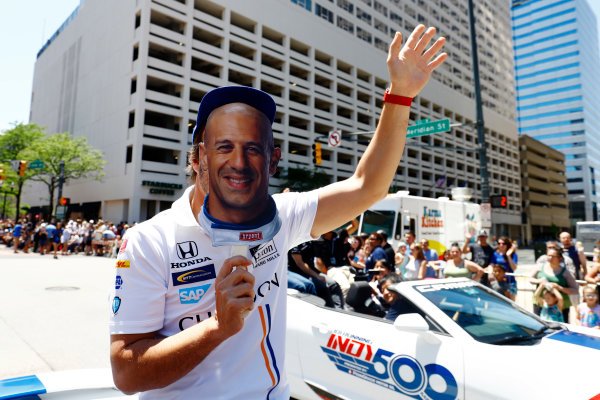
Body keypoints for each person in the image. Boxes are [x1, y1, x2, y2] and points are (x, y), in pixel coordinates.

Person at [108, 25, 447, 398]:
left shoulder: (280, 215)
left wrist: (399, 96)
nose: (239, 163)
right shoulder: (149, 241)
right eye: (223, 147)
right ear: (198, 158)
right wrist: (217, 327)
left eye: (253, 149)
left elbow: (367, 186)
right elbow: (127, 373)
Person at [529, 246, 577, 323]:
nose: (550, 258)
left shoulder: (566, 272)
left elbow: (575, 290)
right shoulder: (540, 266)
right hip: (541, 302)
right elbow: (530, 279)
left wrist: (559, 288)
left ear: (560, 258)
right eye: (548, 255)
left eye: (553, 256)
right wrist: (539, 281)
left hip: (560, 306)